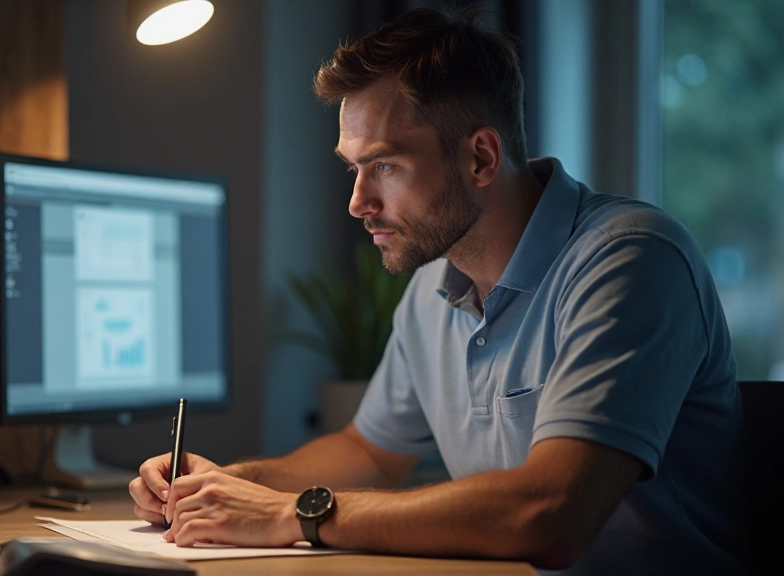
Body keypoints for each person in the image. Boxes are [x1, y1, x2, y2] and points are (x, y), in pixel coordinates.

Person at [129, 7, 746, 574]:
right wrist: (218, 486)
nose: (357, 202)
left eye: (386, 166)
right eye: (354, 169)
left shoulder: (629, 261)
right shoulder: (434, 287)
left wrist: (297, 514)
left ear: (480, 157)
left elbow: (552, 513)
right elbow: (368, 452)